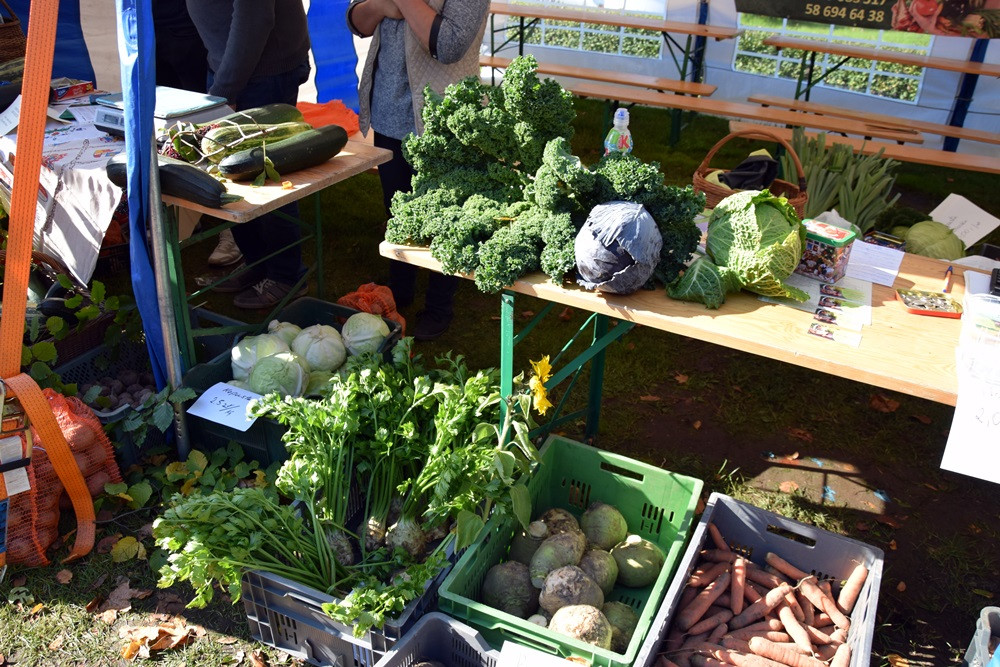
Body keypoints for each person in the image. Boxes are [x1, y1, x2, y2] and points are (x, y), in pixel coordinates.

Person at [347, 0, 489, 340]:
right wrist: (381, 6)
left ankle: (440, 306)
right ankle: (400, 291)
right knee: (397, 212)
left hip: (443, 114)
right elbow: (356, 21)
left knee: (445, 219)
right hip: (388, 111)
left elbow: (448, 44)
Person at [186, 0, 312, 309]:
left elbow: (255, 17)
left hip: (261, 72)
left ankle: (287, 275)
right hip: (232, 66)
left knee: (266, 179)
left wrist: (226, 90)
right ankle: (260, 263)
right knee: (232, 175)